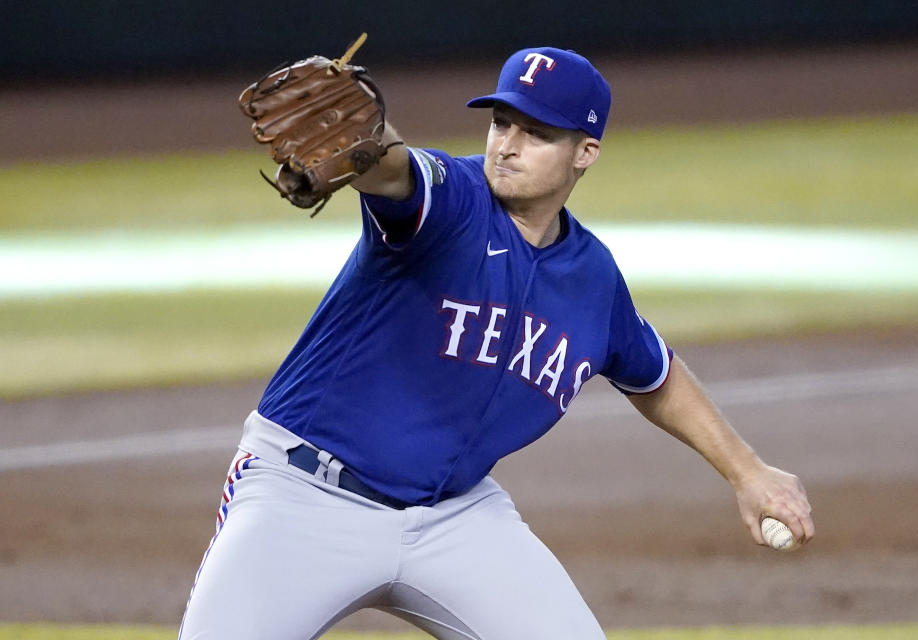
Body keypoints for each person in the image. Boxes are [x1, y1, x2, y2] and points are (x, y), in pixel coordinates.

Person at [178, 46, 814, 640]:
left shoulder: (593, 278)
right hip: (306, 498)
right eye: (501, 123)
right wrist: (371, 145)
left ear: (585, 152)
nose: (507, 146)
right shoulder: (452, 199)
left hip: (454, 520)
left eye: (536, 133)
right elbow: (400, 173)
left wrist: (748, 471)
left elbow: (656, 374)